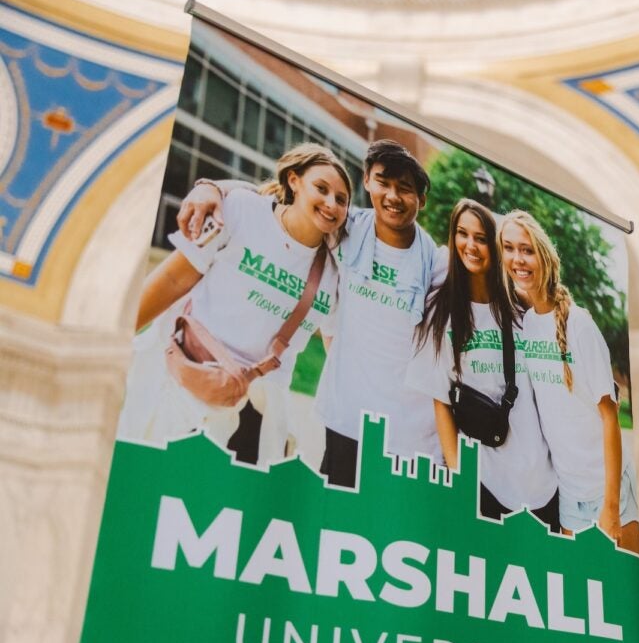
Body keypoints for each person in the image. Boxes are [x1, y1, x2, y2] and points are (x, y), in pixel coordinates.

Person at [176, 140, 447, 487]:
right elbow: (277, 203)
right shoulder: (345, 231)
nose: (393, 196)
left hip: (412, 433)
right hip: (345, 422)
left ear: (421, 200)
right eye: (384, 183)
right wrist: (211, 187)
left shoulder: (435, 264)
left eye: (405, 189)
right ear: (367, 182)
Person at [118, 143, 348, 465]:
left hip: (259, 417)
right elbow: (173, 280)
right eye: (321, 189)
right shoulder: (241, 210)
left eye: (341, 199)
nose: (330, 203)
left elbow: (338, 352)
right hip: (185, 384)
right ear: (294, 181)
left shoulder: (338, 272)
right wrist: (109, 336)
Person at [408, 199, 559, 529]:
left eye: (480, 238)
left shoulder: (520, 309)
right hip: (486, 483)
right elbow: (441, 402)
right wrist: (461, 479)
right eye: (462, 234)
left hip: (543, 481)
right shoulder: (442, 314)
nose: (470, 245)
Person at [499, 210, 639, 552]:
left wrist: (610, 507)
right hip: (569, 499)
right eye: (509, 248)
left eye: (527, 249)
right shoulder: (526, 323)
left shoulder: (579, 325)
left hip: (610, 494)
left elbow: (610, 417)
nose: (518, 258)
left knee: (623, 594)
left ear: (544, 257)